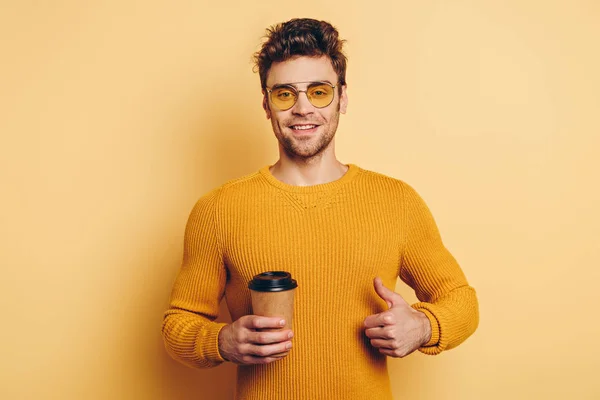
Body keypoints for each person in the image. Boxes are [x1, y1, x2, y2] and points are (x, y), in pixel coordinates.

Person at [162, 18, 479, 400]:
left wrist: (424, 326)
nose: (302, 108)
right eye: (284, 94)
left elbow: (462, 300)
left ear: (342, 98)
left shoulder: (397, 201)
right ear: (266, 104)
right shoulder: (218, 210)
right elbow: (178, 324)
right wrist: (220, 341)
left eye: (319, 91)